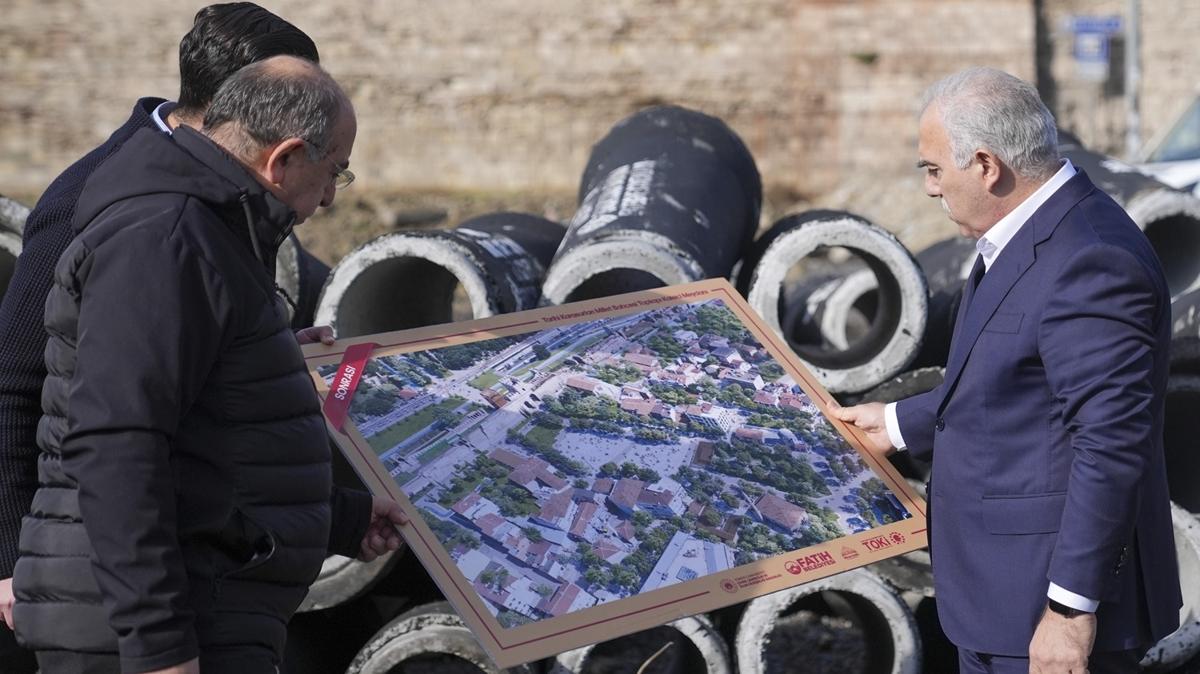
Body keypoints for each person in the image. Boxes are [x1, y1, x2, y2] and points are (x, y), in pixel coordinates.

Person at [12, 56, 405, 674]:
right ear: (285, 156)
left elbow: (207, 445)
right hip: (157, 630)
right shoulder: (168, 238)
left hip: (196, 609)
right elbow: (118, 445)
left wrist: (341, 517)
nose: (331, 196)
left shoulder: (210, 232)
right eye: (336, 171)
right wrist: (160, 646)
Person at [832, 67, 1182, 674]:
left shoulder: (1090, 259)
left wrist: (1070, 613)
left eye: (934, 169)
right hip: (999, 600)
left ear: (987, 166)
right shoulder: (1025, 235)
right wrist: (896, 423)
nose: (930, 189)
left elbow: (1110, 443)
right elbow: (1012, 381)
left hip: (1044, 614)